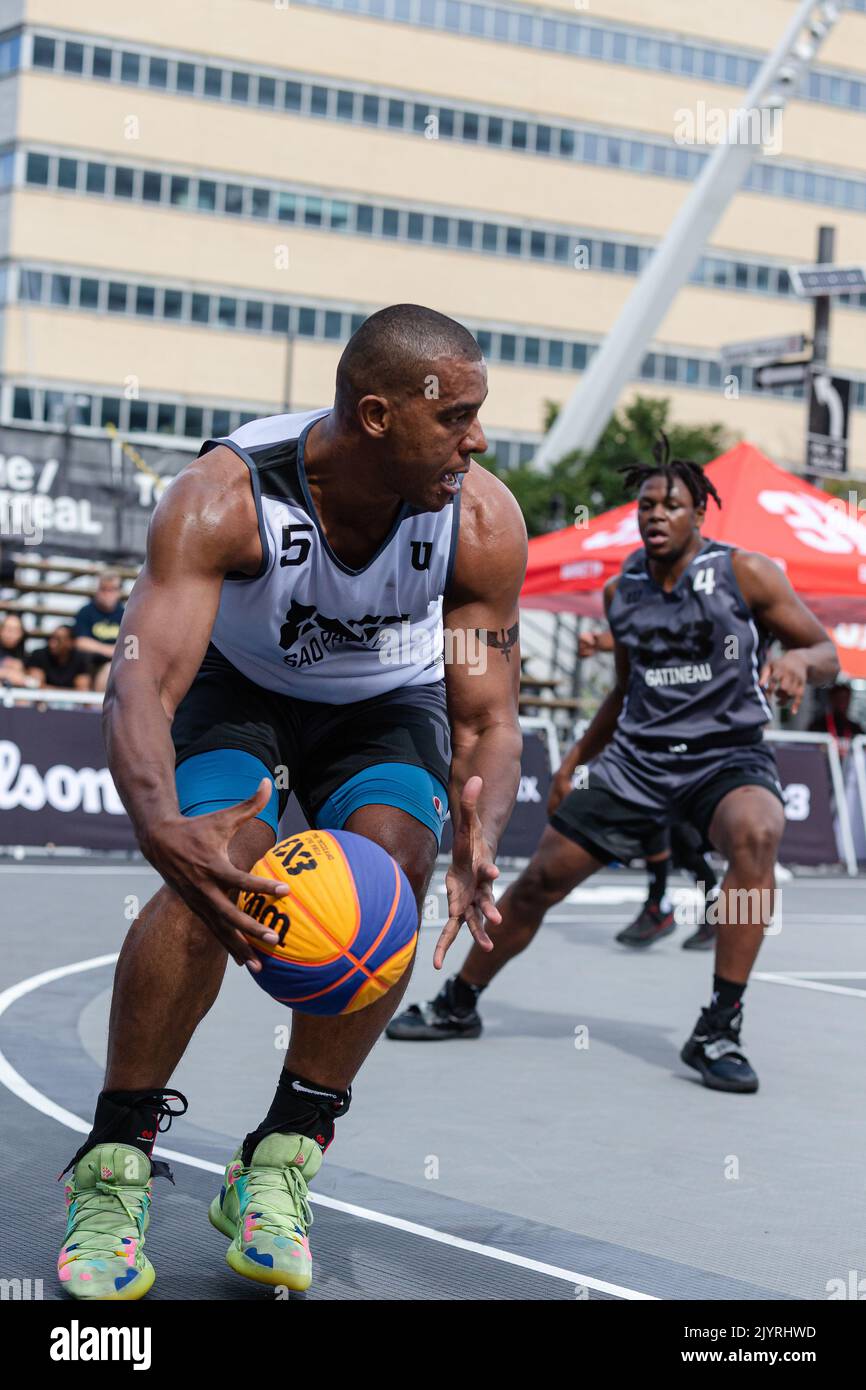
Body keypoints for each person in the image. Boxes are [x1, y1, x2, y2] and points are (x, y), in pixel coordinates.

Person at [55, 304, 527, 1301]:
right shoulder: (223, 496)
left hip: (381, 706)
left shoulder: (479, 519)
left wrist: (482, 827)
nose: (478, 439)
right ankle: (114, 1162)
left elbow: (485, 720)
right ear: (374, 415)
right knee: (213, 863)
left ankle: (282, 1158)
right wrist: (158, 828)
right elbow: (140, 682)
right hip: (242, 689)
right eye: (457, 418)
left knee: (389, 871)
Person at [389, 435, 838, 1097]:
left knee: (758, 833)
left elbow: (824, 648)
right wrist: (575, 759)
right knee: (540, 881)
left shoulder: (747, 573)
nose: (655, 514)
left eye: (671, 505)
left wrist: (798, 662)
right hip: (637, 763)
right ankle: (459, 1002)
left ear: (698, 516)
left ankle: (719, 1025)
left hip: (725, 758)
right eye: (646, 504)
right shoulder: (623, 588)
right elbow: (624, 689)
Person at [576, 623, 720, 950]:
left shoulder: (705, 607)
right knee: (676, 839)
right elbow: (635, 630)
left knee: (665, 825)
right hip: (656, 731)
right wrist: (599, 641)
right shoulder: (650, 603)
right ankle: (684, 905)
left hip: (690, 734)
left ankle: (663, 906)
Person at [73, 571, 126, 691]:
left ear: (119, 592)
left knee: (110, 669)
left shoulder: (126, 614)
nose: (107, 594)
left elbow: (131, 647)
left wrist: (99, 648)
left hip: (116, 666)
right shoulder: (86, 611)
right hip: (88, 664)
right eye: (103, 589)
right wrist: (112, 650)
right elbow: (81, 643)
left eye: (112, 589)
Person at [27, 623, 93, 692]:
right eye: (51, 638)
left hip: (72, 702)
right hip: (42, 701)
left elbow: (82, 691)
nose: (52, 643)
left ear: (70, 643)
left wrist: (48, 689)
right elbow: (36, 687)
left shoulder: (81, 658)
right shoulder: (39, 655)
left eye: (58, 639)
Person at [808, 680, 863, 751]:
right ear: (832, 699)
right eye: (839, 699)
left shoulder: (855, 728)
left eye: (845, 699)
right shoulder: (818, 725)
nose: (842, 703)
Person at [0, 612, 32, 687]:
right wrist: (6, 673)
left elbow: (32, 681)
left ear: (21, 633)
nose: (11, 634)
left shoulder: (25, 656)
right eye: (8, 629)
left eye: (16, 630)